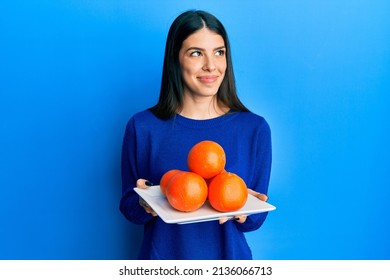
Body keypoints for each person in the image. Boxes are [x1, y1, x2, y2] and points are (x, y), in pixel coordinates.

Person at [120, 10, 272, 260]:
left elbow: (255, 220)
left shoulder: (254, 129)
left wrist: (248, 209)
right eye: (196, 53)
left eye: (219, 52)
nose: (211, 65)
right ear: (175, 59)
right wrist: (142, 202)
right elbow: (128, 208)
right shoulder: (143, 127)